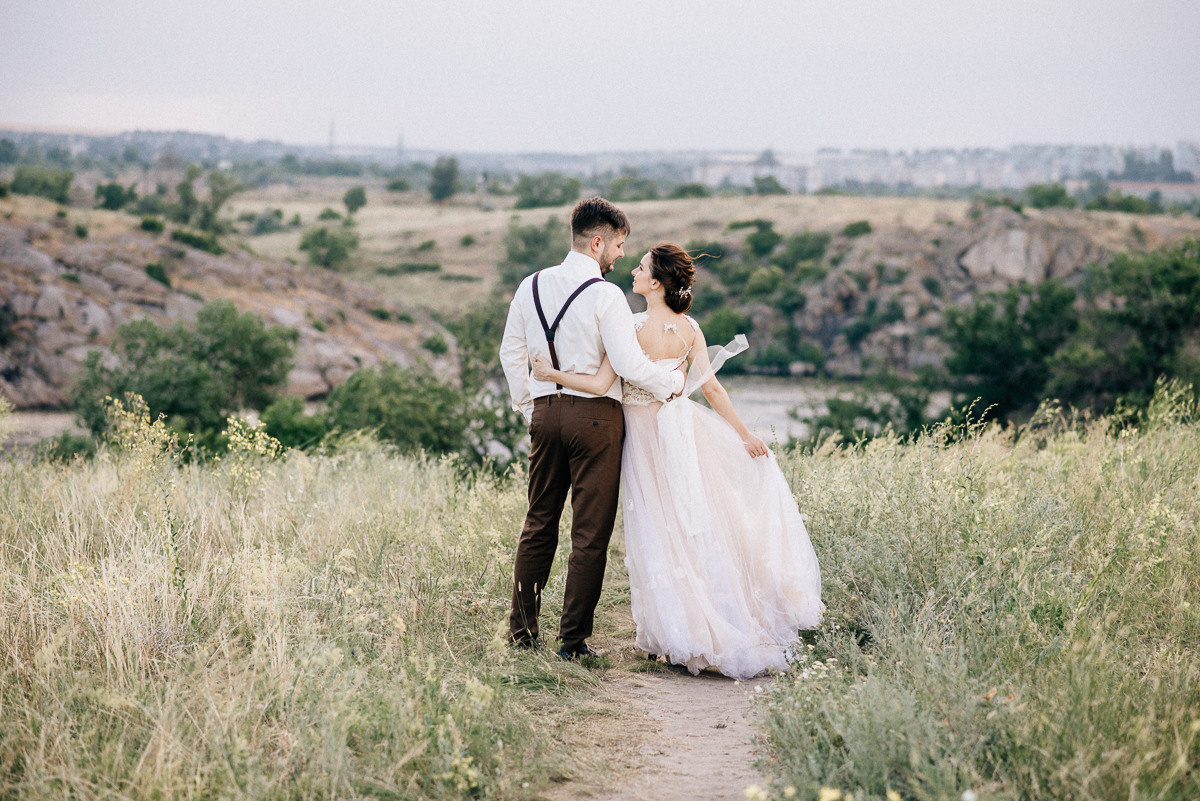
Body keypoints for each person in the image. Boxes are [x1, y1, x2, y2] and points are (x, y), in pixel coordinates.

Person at [532, 243, 823, 679]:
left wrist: (552, 376)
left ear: (656, 283)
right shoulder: (690, 327)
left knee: (656, 527)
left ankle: (673, 632)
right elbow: (713, 390)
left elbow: (599, 383)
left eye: (642, 267)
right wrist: (743, 434)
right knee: (691, 523)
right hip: (681, 431)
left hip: (644, 440)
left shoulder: (628, 326)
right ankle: (692, 623)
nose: (633, 270)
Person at [499, 198, 686, 659]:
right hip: (598, 419)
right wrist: (673, 381)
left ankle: (522, 636)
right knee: (589, 533)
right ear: (597, 241)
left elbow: (511, 354)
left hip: (545, 413)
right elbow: (626, 364)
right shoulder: (606, 296)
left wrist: (531, 408)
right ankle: (572, 643)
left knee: (538, 523)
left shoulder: (532, 284)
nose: (621, 255)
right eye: (619, 245)